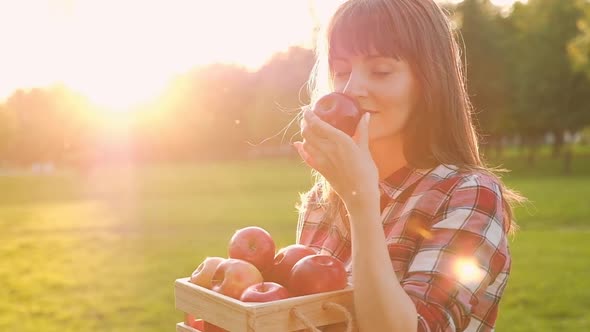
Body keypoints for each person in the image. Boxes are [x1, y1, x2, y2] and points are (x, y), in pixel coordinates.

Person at [291, 0, 525, 331]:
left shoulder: (468, 196)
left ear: (429, 80)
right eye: (342, 71)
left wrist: (361, 201)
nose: (352, 89)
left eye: (381, 71)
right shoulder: (323, 198)